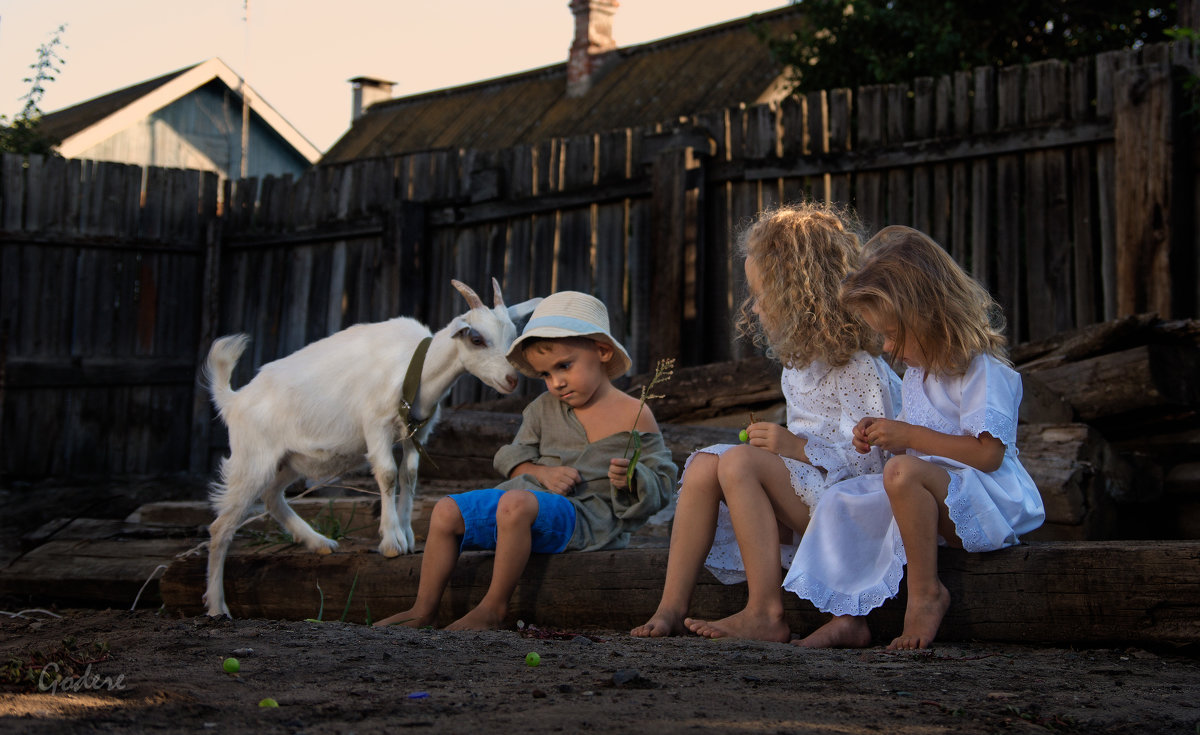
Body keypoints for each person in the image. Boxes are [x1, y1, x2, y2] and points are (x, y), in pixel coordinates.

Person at [631, 203, 901, 642]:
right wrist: (782, 454)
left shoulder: (858, 368)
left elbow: (878, 468)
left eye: (761, 294)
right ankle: (670, 607)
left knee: (739, 464)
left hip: (858, 511)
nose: (754, 308)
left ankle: (764, 612)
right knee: (703, 464)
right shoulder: (796, 367)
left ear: (800, 295)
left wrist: (795, 448)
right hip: (814, 494)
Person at [785, 225, 1045, 650]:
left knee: (903, 473)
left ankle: (926, 594)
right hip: (931, 492)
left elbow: (989, 456)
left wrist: (909, 438)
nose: (885, 347)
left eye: (890, 333)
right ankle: (847, 615)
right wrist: (883, 435)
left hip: (987, 500)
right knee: (842, 497)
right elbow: (912, 447)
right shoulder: (917, 377)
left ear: (927, 315)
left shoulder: (982, 371)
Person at [374, 291, 677, 631]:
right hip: (526, 510)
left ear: (602, 351)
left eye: (564, 366)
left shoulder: (634, 414)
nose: (556, 383)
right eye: (545, 375)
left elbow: (663, 481)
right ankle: (423, 609)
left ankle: (493, 608)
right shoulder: (543, 409)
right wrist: (539, 472)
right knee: (446, 510)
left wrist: (632, 479)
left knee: (515, 503)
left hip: (587, 520)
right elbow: (512, 455)